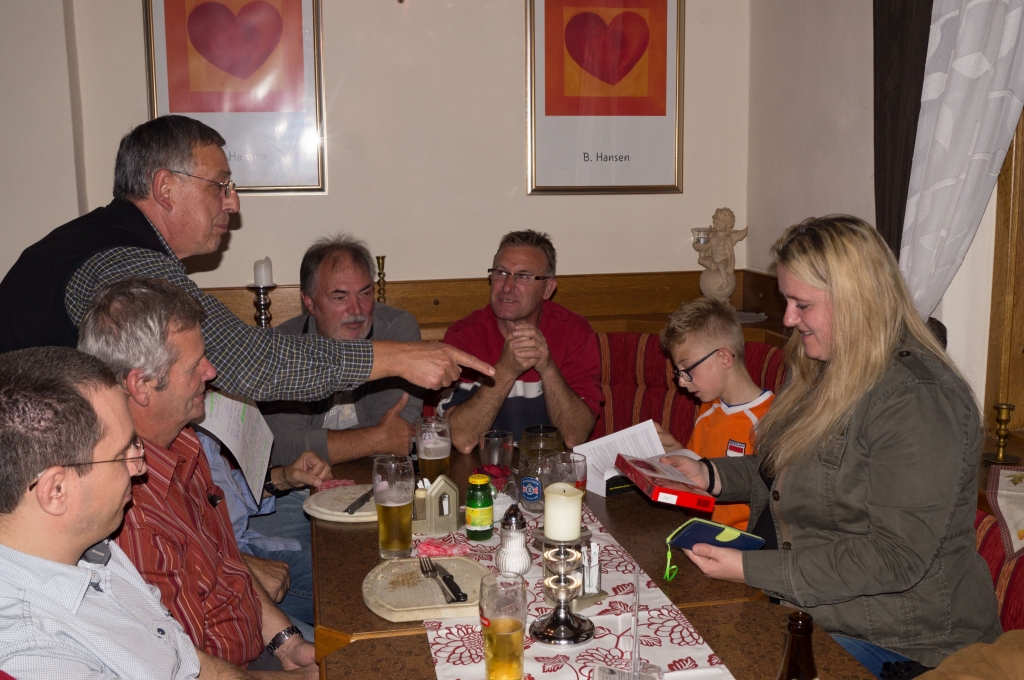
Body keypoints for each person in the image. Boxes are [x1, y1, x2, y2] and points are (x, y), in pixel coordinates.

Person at [662, 215, 1001, 676]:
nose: (788, 318)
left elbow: (895, 558)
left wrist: (751, 569)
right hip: (811, 609)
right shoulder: (819, 367)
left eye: (802, 304)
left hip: (902, 642)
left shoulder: (918, 399)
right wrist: (709, 474)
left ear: (857, 300)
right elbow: (783, 472)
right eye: (787, 301)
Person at [0, 114, 492, 401]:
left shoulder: (105, 241)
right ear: (165, 188)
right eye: (220, 185)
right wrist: (399, 356)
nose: (233, 203)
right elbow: (249, 362)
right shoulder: (122, 265)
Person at [0, 346, 301, 679]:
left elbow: (182, 661)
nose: (139, 466)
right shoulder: (35, 652)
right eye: (121, 454)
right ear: (56, 491)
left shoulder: (92, 547)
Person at [77, 277, 320, 673]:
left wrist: (286, 643)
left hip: (257, 649)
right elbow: (184, 666)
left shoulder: (184, 441)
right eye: (194, 366)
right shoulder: (127, 508)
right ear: (140, 385)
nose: (211, 371)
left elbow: (227, 563)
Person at [263, 234, 423, 466]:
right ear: (309, 302)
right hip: (303, 484)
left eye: (365, 293)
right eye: (340, 297)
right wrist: (377, 439)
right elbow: (284, 445)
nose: (356, 310)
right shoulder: (284, 344)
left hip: (378, 474)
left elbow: (398, 431)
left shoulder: (396, 329)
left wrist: (319, 443)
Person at [438, 230, 603, 452]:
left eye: (524, 276)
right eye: (500, 273)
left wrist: (548, 369)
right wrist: (505, 371)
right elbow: (462, 439)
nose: (506, 287)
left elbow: (575, 437)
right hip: (484, 469)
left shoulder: (574, 333)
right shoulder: (464, 336)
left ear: (548, 288)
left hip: (552, 469)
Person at [655, 297, 773, 530]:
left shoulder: (771, 418)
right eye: (678, 372)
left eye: (687, 369)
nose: (681, 381)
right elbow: (700, 471)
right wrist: (674, 450)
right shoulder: (709, 407)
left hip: (741, 540)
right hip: (697, 526)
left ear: (724, 358)